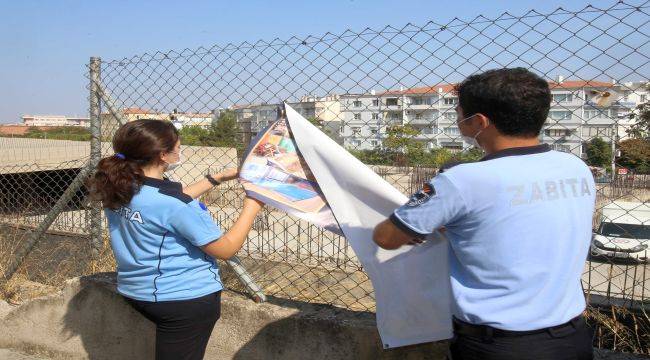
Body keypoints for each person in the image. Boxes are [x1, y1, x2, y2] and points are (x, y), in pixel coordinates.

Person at [373, 68, 595, 360]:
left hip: (500, 346)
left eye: (459, 113)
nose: (457, 119)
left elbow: (386, 237)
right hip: (571, 339)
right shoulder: (575, 167)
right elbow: (513, 221)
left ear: (479, 121)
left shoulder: (463, 180)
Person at [87, 119, 263, 360]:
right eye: (178, 147)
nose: (180, 151)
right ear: (163, 155)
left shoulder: (120, 187)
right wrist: (252, 207)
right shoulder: (173, 205)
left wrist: (217, 178)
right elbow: (225, 250)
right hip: (183, 299)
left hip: (137, 290)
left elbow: (165, 206)